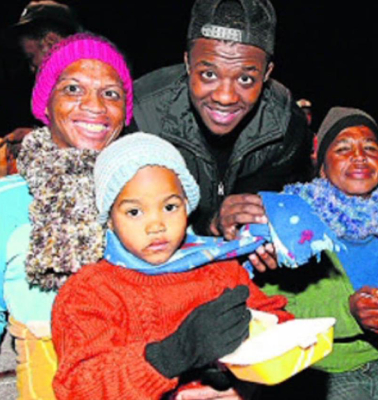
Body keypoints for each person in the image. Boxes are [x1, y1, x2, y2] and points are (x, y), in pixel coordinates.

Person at [51, 132, 293, 400]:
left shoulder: (219, 269)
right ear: (109, 219)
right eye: (134, 212)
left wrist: (246, 375)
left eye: (169, 207)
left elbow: (279, 324)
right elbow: (79, 388)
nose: (156, 225)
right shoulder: (90, 292)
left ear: (187, 206)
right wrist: (170, 355)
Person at [254, 107, 378, 400]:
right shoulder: (296, 226)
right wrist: (349, 311)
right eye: (343, 148)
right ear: (322, 167)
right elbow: (270, 310)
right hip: (315, 367)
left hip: (377, 359)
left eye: (370, 147)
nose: (359, 156)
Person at [132, 0, 313, 271]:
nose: (225, 97)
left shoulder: (286, 125)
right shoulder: (142, 114)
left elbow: (280, 216)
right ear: (187, 62)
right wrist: (210, 223)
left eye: (245, 79)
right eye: (208, 74)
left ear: (267, 74)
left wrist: (273, 238)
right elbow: (127, 222)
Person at [0, 33, 133, 399]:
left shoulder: (147, 197)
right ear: (45, 102)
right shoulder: (6, 202)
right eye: (73, 89)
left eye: (111, 93)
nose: (94, 106)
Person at [0, 0, 83, 177]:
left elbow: (89, 144)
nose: (32, 69)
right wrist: (37, 135)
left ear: (50, 42)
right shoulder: (63, 86)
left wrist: (40, 139)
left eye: (31, 58)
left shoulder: (91, 76)